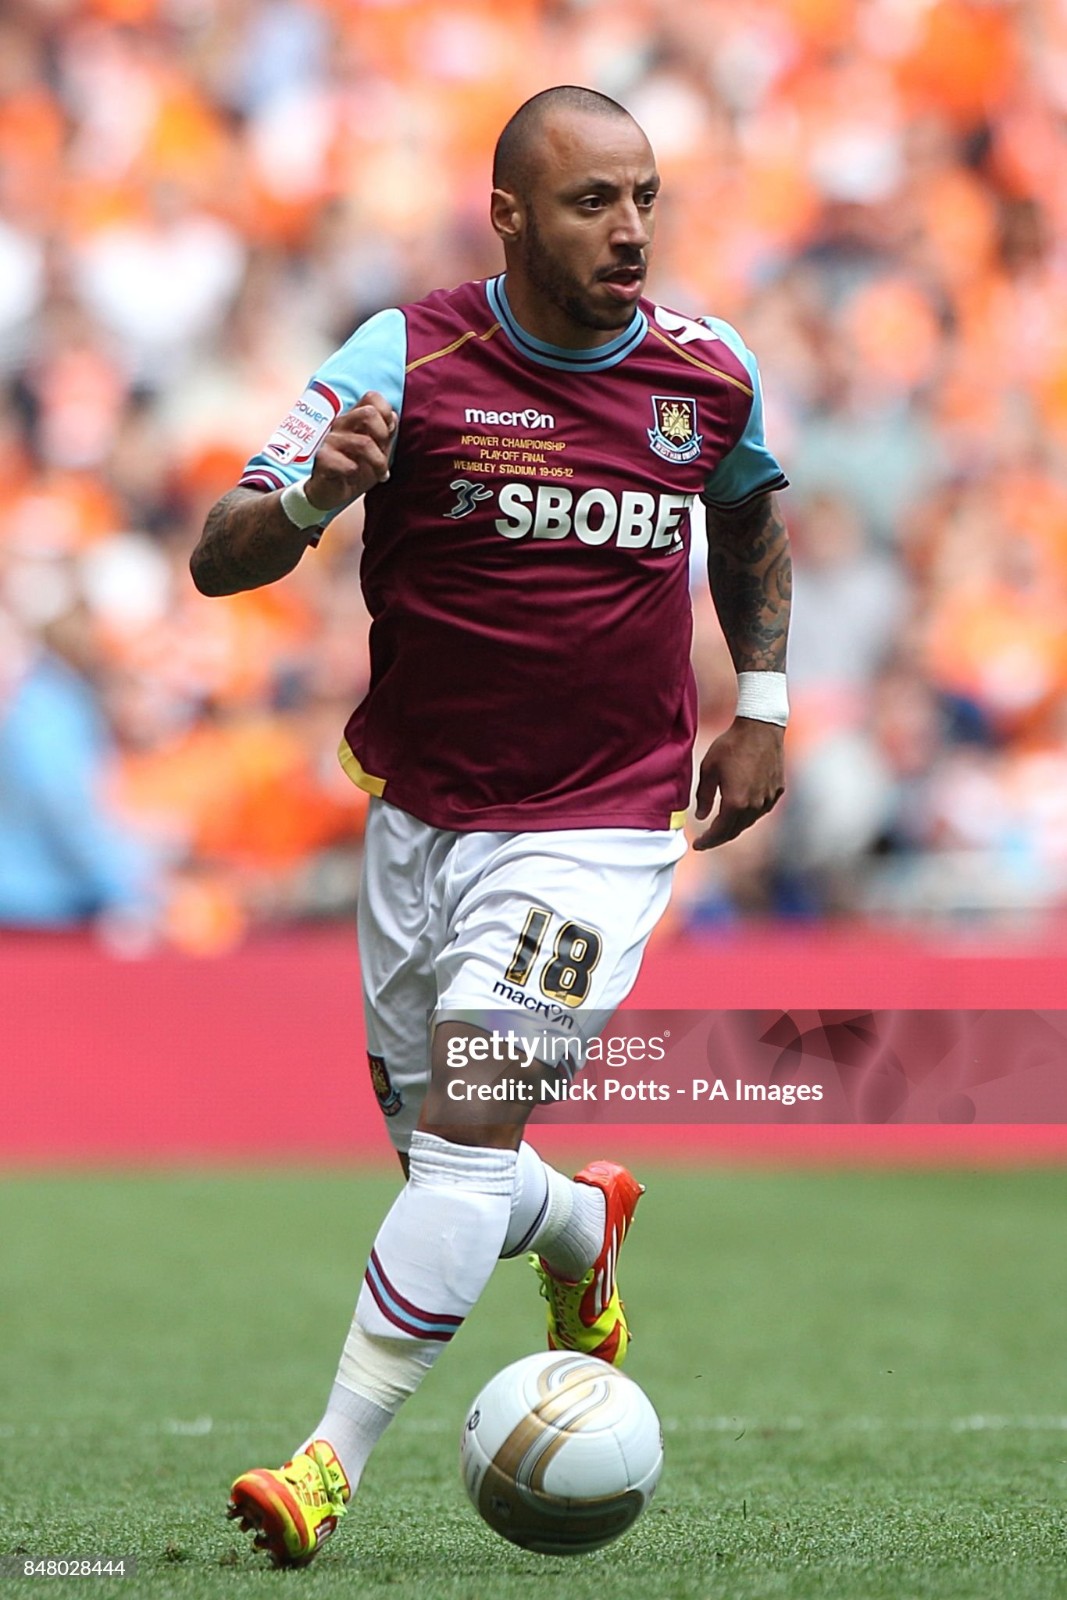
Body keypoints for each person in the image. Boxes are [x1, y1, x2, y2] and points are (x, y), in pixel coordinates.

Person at [191, 84, 791, 1568]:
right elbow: (220, 559)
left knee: (461, 1142)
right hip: (424, 817)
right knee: (444, 1167)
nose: (632, 230)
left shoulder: (707, 373)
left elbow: (753, 518)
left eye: (646, 196)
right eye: (595, 203)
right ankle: (584, 1229)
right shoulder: (401, 357)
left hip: (601, 826)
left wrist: (764, 703)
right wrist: (314, 501)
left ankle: (324, 1467)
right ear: (509, 218)